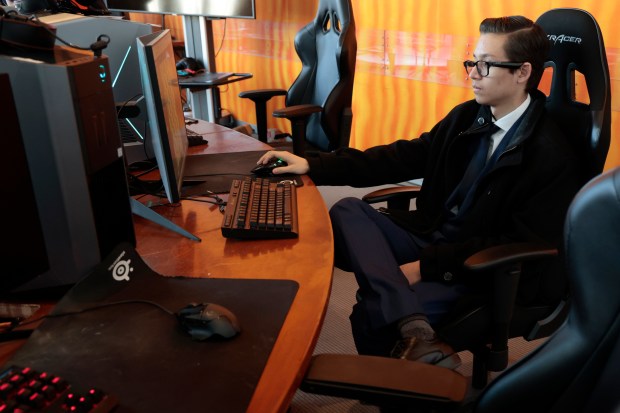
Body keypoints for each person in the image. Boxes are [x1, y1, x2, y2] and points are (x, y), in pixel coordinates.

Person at [256, 16, 583, 368]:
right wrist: (313, 165)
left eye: (485, 65)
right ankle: (414, 326)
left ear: (522, 72)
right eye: (472, 61)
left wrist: (426, 267)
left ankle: (408, 374)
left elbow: (517, 242)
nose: (472, 73)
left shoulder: (551, 154)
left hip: (479, 268)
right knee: (347, 210)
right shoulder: (468, 116)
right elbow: (403, 156)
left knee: (371, 313)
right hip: (433, 234)